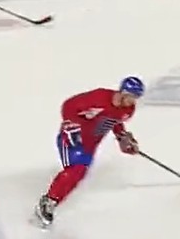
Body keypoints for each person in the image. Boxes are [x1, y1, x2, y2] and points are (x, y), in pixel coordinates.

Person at [35, 77, 145, 228]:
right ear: (123, 93)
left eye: (136, 98)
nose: (134, 102)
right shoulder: (99, 97)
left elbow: (115, 121)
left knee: (79, 174)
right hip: (73, 138)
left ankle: (52, 201)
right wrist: (73, 125)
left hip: (91, 144)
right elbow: (68, 106)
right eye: (132, 97)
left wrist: (122, 137)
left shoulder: (128, 110)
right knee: (76, 170)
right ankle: (49, 201)